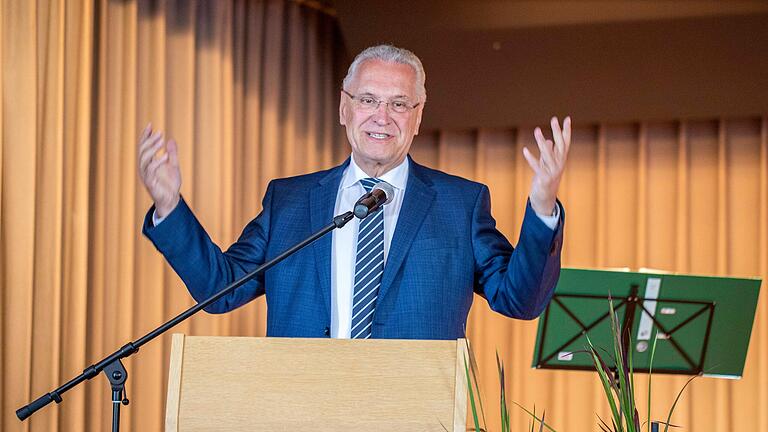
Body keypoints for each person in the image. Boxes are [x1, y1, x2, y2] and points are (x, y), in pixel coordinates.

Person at [139, 44, 570, 340]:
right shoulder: (288, 202)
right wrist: (169, 206)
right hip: (303, 408)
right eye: (368, 100)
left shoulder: (460, 204)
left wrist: (543, 207)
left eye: (399, 104)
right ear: (345, 108)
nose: (382, 116)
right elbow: (223, 289)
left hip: (419, 410)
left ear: (418, 117)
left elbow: (520, 300)